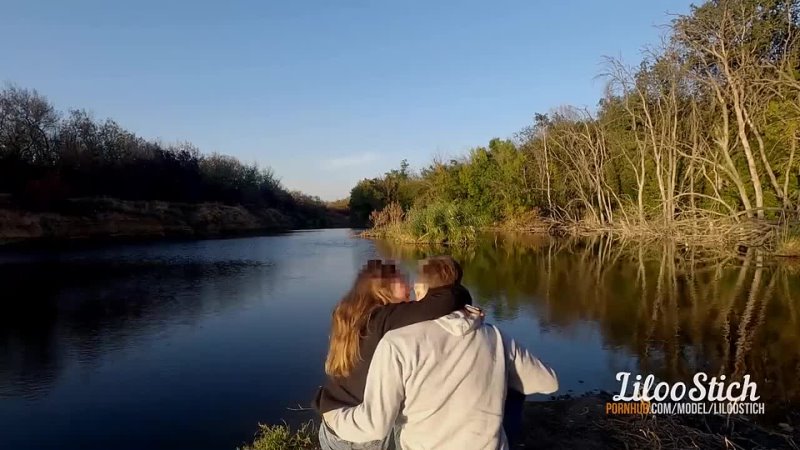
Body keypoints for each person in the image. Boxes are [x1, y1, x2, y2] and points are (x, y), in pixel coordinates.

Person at [323, 258, 559, 450]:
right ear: (382, 289)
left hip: (343, 421)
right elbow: (440, 302)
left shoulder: (358, 317)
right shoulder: (386, 322)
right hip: (354, 426)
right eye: (403, 282)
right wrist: (464, 306)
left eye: (413, 284)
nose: (410, 290)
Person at [315, 258, 472, 450]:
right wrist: (460, 292)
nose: (409, 286)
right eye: (401, 279)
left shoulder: (350, 316)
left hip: (331, 430)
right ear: (383, 286)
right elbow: (446, 300)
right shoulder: (384, 317)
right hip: (364, 435)